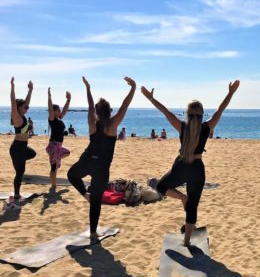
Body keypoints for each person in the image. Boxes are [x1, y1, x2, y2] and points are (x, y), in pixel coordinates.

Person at [141, 80, 240, 246]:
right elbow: (220, 109)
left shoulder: (182, 126)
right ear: (202, 115)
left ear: (187, 114)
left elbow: (165, 111)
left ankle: (182, 197)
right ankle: (187, 241)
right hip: (197, 169)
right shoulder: (207, 127)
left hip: (181, 165)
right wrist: (231, 92)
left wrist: (151, 98)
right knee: (193, 206)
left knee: (160, 187)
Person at [67, 76, 136, 239]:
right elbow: (125, 107)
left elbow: (90, 106)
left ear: (98, 112)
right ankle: (93, 233)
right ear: (109, 111)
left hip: (88, 160)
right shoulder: (112, 125)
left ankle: (85, 195)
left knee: (72, 175)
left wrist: (88, 89)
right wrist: (132, 89)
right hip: (102, 167)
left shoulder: (93, 122)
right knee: (97, 201)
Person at [9, 77, 36, 200]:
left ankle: (19, 162)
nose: (27, 108)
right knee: (20, 173)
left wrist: (30, 90)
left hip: (22, 147)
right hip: (17, 147)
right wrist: (12, 87)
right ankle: (16, 194)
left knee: (33, 154)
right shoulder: (17, 118)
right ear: (18, 108)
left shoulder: (23, 116)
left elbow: (27, 102)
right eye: (25, 107)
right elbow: (13, 102)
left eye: (27, 107)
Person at [46, 89, 71, 191]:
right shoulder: (52, 119)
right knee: (53, 167)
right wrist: (49, 97)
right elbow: (50, 109)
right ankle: (53, 186)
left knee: (67, 153)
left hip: (58, 145)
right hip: (54, 145)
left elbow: (65, 110)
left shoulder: (59, 119)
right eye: (58, 110)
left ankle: (56, 162)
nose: (60, 111)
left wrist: (68, 100)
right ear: (54, 111)